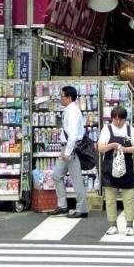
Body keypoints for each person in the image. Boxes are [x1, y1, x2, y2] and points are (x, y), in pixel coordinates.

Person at [98, 106, 134, 236]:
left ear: (124, 119)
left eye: (120, 119)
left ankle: (129, 224)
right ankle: (112, 224)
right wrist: (112, 146)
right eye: (115, 119)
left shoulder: (129, 129)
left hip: (126, 166)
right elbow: (100, 148)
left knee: (128, 197)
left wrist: (126, 149)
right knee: (110, 198)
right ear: (112, 118)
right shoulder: (107, 129)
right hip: (110, 167)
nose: (118, 122)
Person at [49, 86, 88, 218]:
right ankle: (63, 206)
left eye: (62, 96)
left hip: (72, 148)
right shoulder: (69, 110)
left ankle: (82, 209)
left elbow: (73, 134)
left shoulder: (73, 112)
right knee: (56, 174)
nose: (61, 98)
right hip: (67, 147)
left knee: (76, 178)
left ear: (69, 98)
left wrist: (67, 152)